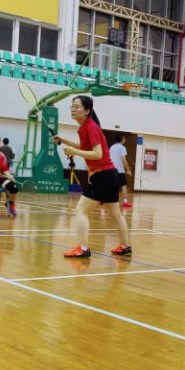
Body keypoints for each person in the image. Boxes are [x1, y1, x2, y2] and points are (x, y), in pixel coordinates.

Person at [52, 96, 131, 258]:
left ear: (87, 111)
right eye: (72, 106)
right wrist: (64, 140)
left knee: (80, 210)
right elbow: (84, 146)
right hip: (110, 175)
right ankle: (125, 246)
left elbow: (97, 154)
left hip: (103, 176)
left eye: (77, 106)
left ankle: (83, 249)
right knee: (116, 214)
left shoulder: (91, 127)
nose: (73, 109)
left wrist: (74, 152)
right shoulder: (85, 127)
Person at [109, 134, 133, 208]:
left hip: (111, 170)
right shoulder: (122, 148)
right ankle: (125, 202)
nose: (125, 140)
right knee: (124, 185)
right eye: (124, 138)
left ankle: (105, 201)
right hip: (119, 171)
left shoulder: (112, 147)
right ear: (122, 139)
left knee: (110, 186)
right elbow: (124, 160)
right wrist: (128, 170)